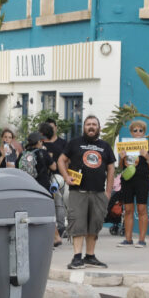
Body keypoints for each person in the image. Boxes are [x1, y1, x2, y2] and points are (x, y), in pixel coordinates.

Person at [58, 115, 116, 269]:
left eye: (94, 124)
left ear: (99, 128)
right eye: (88, 124)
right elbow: (61, 160)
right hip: (78, 192)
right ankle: (77, 257)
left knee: (94, 225)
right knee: (77, 224)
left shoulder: (105, 146)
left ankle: (90, 256)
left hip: (98, 193)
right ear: (84, 127)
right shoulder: (74, 143)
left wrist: (108, 191)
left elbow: (111, 168)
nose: (91, 127)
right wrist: (66, 176)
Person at [17, 132, 60, 246]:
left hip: (28, 187)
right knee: (48, 212)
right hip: (43, 187)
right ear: (39, 142)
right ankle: (56, 237)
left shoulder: (22, 154)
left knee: (30, 213)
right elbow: (54, 167)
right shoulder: (43, 153)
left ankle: (34, 238)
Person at [116, 120, 149, 248]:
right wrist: (122, 158)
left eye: (140, 130)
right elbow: (120, 167)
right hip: (127, 180)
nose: (137, 133)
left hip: (142, 180)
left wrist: (147, 157)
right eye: (135, 130)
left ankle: (142, 240)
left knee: (142, 209)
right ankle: (128, 239)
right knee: (128, 210)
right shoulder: (125, 146)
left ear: (144, 132)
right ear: (131, 132)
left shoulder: (148, 147)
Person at [39, 122, 66, 236]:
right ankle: (61, 227)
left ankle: (50, 228)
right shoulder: (58, 148)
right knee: (59, 203)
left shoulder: (40, 148)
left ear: (42, 134)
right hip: (59, 178)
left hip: (47, 179)